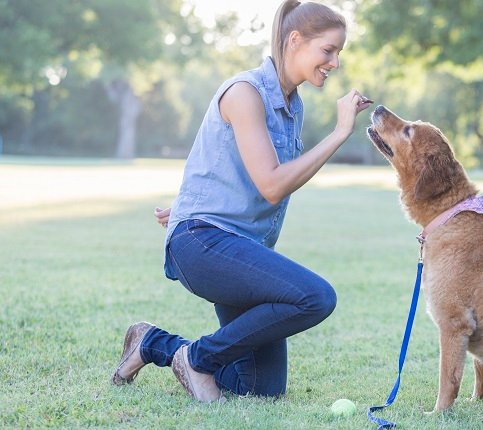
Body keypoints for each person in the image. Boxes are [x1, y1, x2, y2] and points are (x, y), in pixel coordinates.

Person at [112, 0, 372, 402]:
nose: (335, 62)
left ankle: (153, 344)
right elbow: (270, 184)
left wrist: (189, 203)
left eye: (339, 53)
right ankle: (197, 360)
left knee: (259, 388)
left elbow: (230, 164)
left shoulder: (291, 107)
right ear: (295, 40)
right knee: (316, 297)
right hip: (204, 244)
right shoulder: (245, 93)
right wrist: (339, 134)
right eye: (329, 50)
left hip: (235, 247)